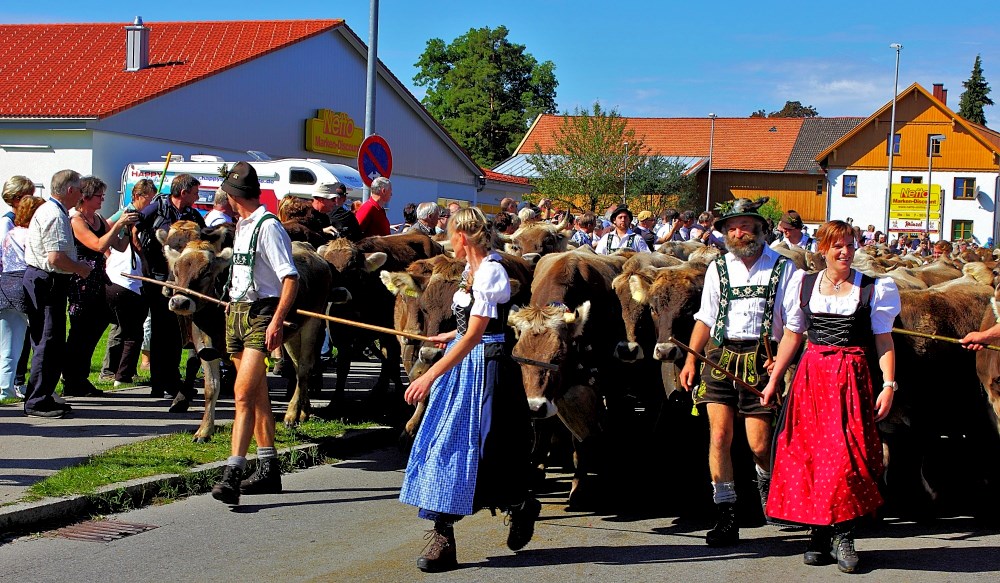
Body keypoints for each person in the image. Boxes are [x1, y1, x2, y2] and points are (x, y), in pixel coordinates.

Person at [399, 206, 539, 572]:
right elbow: (469, 328)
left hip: (487, 367)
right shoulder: (469, 270)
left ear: (463, 237)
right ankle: (443, 535)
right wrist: (451, 334)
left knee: (491, 446)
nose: (446, 242)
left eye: (448, 235)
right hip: (466, 362)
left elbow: (479, 334)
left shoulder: (492, 270)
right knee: (444, 442)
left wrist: (428, 376)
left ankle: (521, 503)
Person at [761, 220, 899, 573]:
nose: (845, 252)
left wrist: (889, 384)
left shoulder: (873, 288)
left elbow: (884, 341)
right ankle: (819, 533)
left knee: (845, 458)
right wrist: (774, 380)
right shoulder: (803, 284)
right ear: (822, 248)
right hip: (812, 380)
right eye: (837, 245)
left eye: (850, 245)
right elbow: (793, 335)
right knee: (808, 456)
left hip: (851, 378)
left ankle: (844, 533)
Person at [678, 197, 799, 547]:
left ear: (761, 230)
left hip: (762, 360)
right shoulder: (718, 267)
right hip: (720, 357)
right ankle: (726, 516)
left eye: (745, 225)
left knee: (760, 444)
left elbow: (794, 324)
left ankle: (768, 489)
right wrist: (690, 359)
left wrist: (783, 362)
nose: (738, 232)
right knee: (719, 437)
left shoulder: (784, 267)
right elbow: (705, 316)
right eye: (732, 227)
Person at [211, 162, 298, 505]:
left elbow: (289, 277)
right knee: (257, 393)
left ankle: (232, 473)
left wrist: (277, 320)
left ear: (233, 196)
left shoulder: (268, 227)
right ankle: (268, 469)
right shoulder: (242, 225)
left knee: (243, 394)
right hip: (238, 312)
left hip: (262, 313)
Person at [22, 170, 94, 417]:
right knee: (48, 341)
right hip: (48, 281)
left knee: (47, 340)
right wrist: (80, 269)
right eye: (80, 190)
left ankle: (45, 393)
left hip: (43, 279)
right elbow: (55, 257)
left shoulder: (53, 210)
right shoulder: (54, 214)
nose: (82, 195)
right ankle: (37, 401)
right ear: (70, 190)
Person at [62, 176, 139, 397]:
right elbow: (97, 245)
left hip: (98, 280)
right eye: (99, 196)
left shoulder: (97, 218)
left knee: (94, 330)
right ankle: (72, 379)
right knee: (80, 331)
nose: (102, 200)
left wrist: (128, 228)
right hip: (82, 282)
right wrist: (118, 225)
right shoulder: (76, 220)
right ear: (85, 197)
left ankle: (81, 377)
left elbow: (120, 246)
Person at [136, 173, 205, 400]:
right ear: (183, 192)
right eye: (195, 192)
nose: (197, 196)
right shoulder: (156, 209)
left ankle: (172, 380)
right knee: (161, 330)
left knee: (176, 332)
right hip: (158, 279)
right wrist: (144, 257)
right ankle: (160, 381)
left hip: (181, 282)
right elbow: (135, 227)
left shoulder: (193, 215)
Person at [101, 179, 157, 382]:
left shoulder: (142, 215)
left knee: (126, 327)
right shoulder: (129, 211)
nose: (151, 202)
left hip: (132, 276)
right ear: (137, 197)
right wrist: (107, 253)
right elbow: (106, 227)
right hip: (122, 275)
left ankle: (122, 371)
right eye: (148, 198)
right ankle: (111, 371)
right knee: (122, 328)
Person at [1, 195, 44, 400]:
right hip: (25, 284)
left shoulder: (10, 233)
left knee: (9, 343)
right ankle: (41, 385)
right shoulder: (30, 235)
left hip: (6, 285)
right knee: (40, 339)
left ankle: (5, 388)